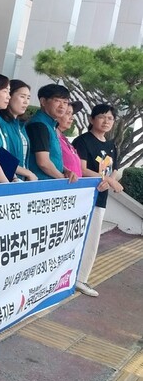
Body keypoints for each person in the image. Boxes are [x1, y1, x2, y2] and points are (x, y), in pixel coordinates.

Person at [72, 103, 123, 297]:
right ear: (92, 119)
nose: (106, 121)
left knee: (93, 238)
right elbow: (82, 169)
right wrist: (106, 179)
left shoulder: (111, 145)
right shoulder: (83, 141)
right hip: (83, 196)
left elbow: (114, 171)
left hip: (100, 197)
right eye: (102, 116)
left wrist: (109, 181)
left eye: (110, 118)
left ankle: (81, 278)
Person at [26, 84, 73, 180]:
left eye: (65, 102)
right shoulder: (39, 125)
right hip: (40, 185)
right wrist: (62, 179)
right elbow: (43, 162)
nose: (62, 106)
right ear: (43, 101)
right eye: (57, 101)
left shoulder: (50, 125)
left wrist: (65, 170)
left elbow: (52, 158)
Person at [0, 79, 38, 182]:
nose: (26, 101)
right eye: (22, 96)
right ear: (9, 96)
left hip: (21, 180)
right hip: (6, 180)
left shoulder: (20, 125)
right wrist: (27, 173)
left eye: (28, 98)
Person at [58, 102, 83, 178]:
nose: (72, 118)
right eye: (68, 113)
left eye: (72, 114)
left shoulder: (64, 139)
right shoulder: (53, 138)